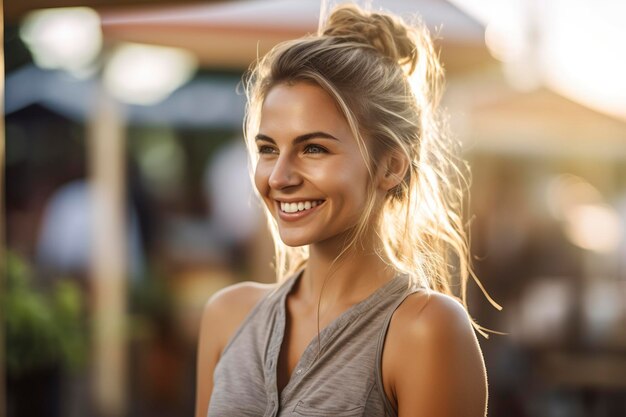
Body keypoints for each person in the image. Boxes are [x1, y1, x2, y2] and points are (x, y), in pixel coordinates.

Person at [196, 4, 499, 416]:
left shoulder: (425, 328)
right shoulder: (227, 316)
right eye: (268, 149)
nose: (279, 176)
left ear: (390, 165)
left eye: (313, 148)